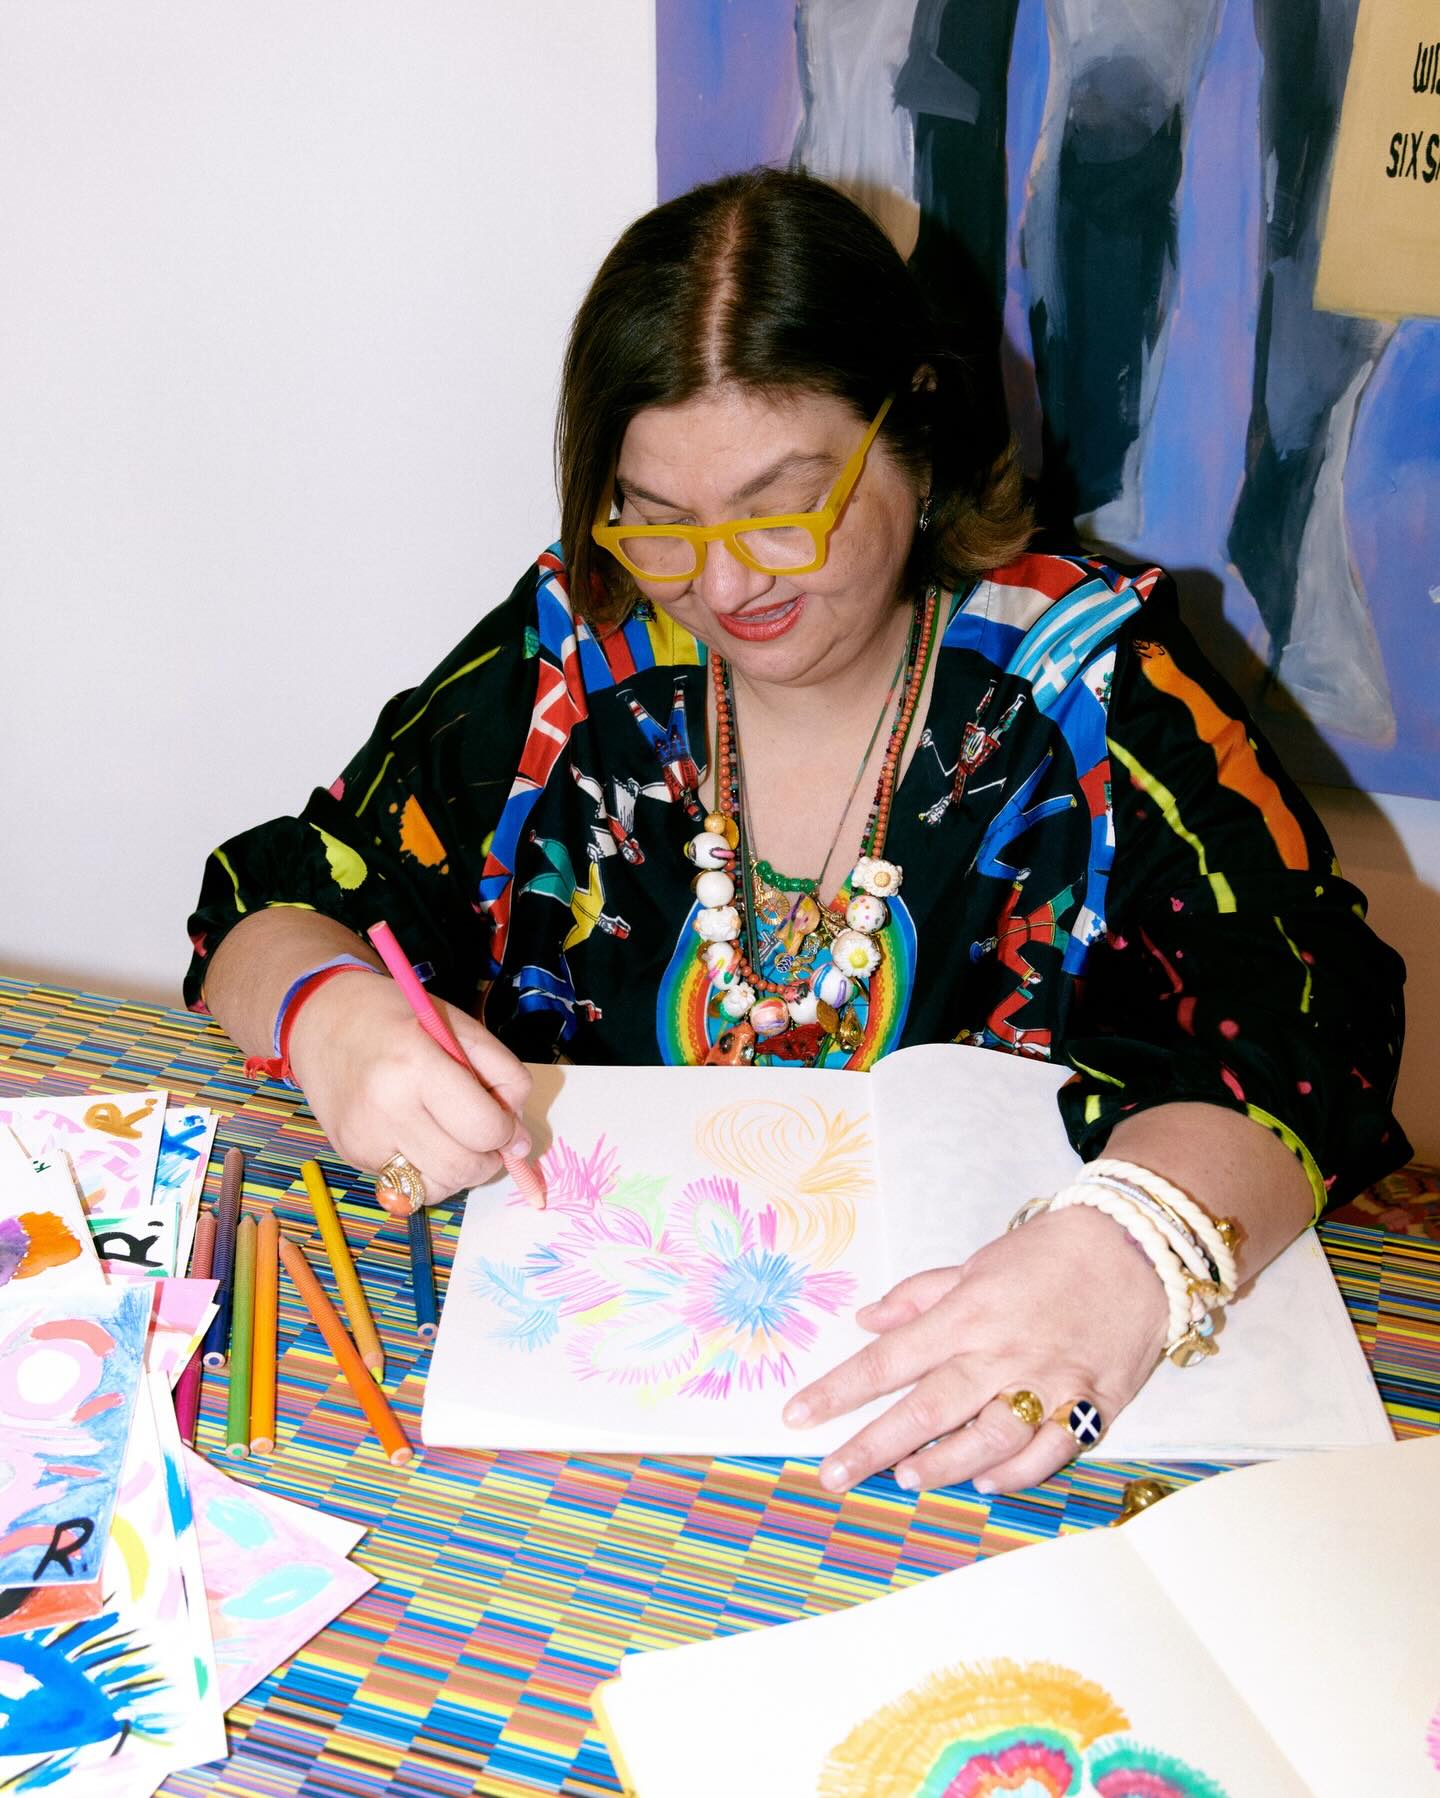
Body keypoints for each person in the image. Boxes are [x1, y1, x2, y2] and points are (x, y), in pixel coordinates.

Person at [186, 168, 1408, 1499]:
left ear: (916, 436)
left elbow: (1316, 1011)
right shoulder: (574, 652)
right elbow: (276, 895)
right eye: (656, 520)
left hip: (988, 1452)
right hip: (599, 1439)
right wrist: (330, 1016)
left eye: (783, 507)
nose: (722, 582)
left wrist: (1134, 1244)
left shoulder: (1086, 679)